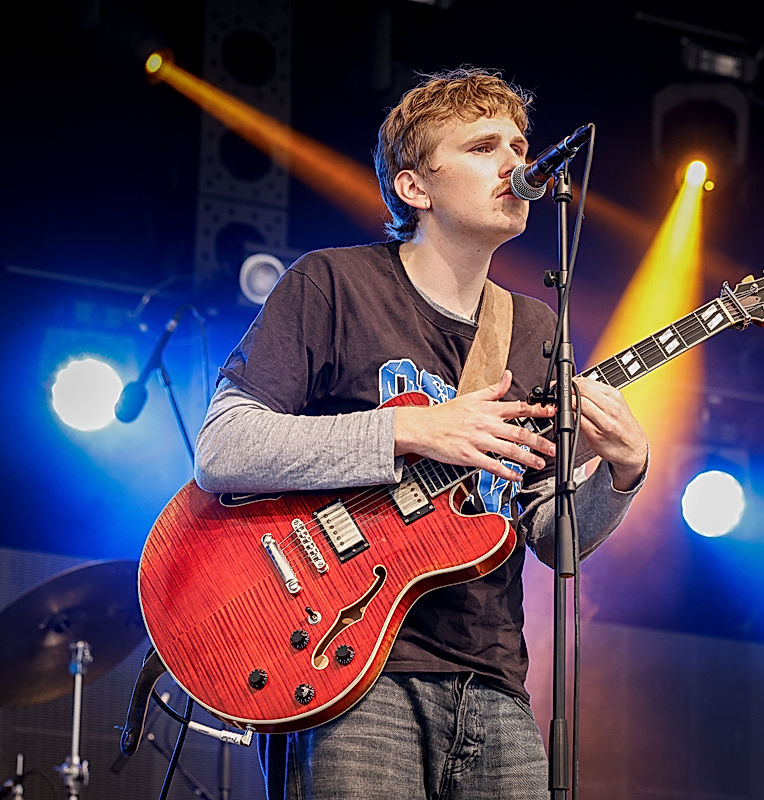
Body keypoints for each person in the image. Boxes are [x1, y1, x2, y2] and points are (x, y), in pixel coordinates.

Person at [193, 67, 649, 800]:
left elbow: (548, 534)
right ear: (415, 187)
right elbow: (222, 450)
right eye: (483, 146)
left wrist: (623, 474)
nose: (516, 163)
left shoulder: (536, 329)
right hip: (351, 668)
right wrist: (412, 428)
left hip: (495, 683)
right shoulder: (333, 284)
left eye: (520, 145)